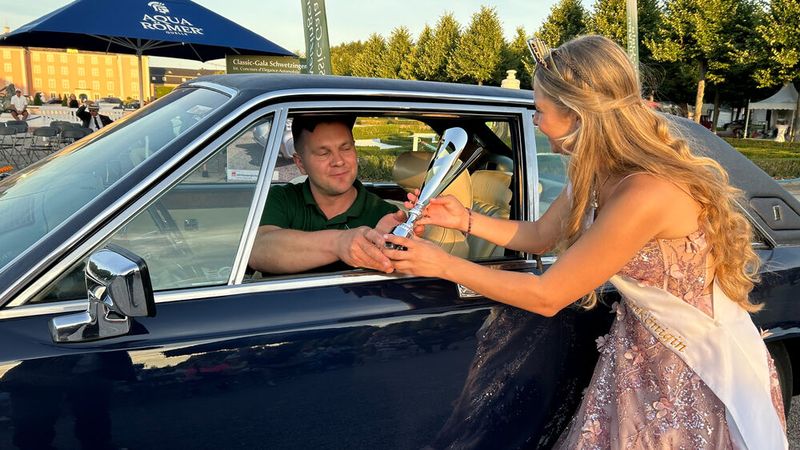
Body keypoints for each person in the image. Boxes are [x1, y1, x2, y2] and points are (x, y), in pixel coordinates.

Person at [383, 35, 787, 449]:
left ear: (577, 115)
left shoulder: (645, 193)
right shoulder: (595, 172)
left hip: (696, 369)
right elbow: (540, 237)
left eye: (540, 111)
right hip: (637, 353)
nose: (536, 122)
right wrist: (464, 219)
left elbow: (547, 295)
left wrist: (441, 263)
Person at [248, 115, 403, 274]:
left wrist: (385, 248)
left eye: (345, 148)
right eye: (323, 153)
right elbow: (258, 250)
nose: (338, 161)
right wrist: (340, 243)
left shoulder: (385, 216)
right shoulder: (282, 198)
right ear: (300, 163)